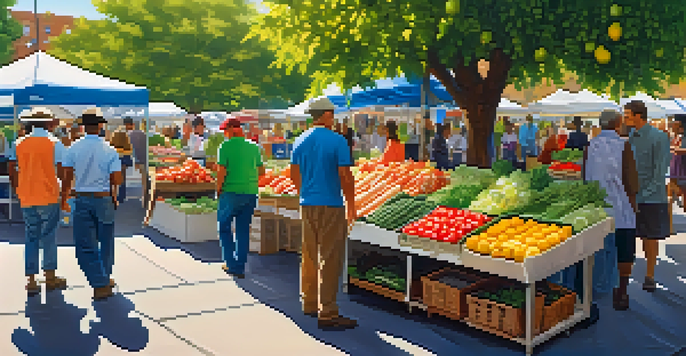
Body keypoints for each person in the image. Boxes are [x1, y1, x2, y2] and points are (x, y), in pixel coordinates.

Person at [290, 97, 358, 330]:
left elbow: (293, 173)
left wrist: (305, 193)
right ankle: (327, 311)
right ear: (326, 115)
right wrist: (352, 205)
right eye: (332, 112)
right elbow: (345, 176)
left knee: (309, 253)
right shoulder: (337, 141)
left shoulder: (300, 140)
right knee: (329, 257)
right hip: (331, 204)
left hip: (307, 203)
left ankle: (309, 302)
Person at [61, 108, 122, 300]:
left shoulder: (73, 148)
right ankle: (104, 279)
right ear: (101, 126)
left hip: (82, 198)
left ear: (83, 127)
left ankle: (99, 281)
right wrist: (113, 193)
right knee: (106, 241)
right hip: (104, 198)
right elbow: (117, 179)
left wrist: (63, 198)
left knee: (85, 244)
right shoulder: (109, 149)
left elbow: (67, 177)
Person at [7, 107, 68, 294]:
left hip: (26, 194)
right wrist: (63, 192)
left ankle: (31, 280)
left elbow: (11, 167)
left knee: (31, 235)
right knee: (48, 235)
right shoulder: (54, 143)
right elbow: (62, 171)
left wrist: (18, 187)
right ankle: (50, 277)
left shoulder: (18, 143)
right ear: (49, 123)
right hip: (48, 195)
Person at [583, 110, 639, 310]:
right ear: (618, 123)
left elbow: (585, 178)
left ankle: (593, 291)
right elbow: (631, 182)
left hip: (597, 208)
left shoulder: (590, 146)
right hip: (620, 206)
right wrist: (634, 206)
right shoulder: (624, 145)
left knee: (597, 249)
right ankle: (621, 293)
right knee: (625, 250)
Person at [624, 100, 671, 292]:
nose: (624, 119)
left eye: (627, 115)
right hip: (633, 196)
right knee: (631, 237)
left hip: (651, 198)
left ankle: (650, 275)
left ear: (638, 116)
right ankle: (629, 275)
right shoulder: (630, 136)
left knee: (650, 238)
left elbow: (660, 173)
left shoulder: (659, 137)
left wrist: (641, 196)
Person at [215, 119, 264, 278]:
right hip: (250, 193)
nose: (224, 134)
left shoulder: (225, 147)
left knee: (224, 228)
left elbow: (221, 172)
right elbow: (261, 171)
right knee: (243, 230)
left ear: (231, 130)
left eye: (225, 131)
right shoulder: (254, 147)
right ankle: (240, 266)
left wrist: (218, 190)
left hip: (230, 192)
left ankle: (230, 263)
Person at [110, 131, 133, 204]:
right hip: (122, 166)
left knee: (111, 181)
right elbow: (129, 160)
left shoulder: (110, 149)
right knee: (122, 181)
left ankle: (112, 195)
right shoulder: (127, 149)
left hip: (112, 166)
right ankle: (121, 196)